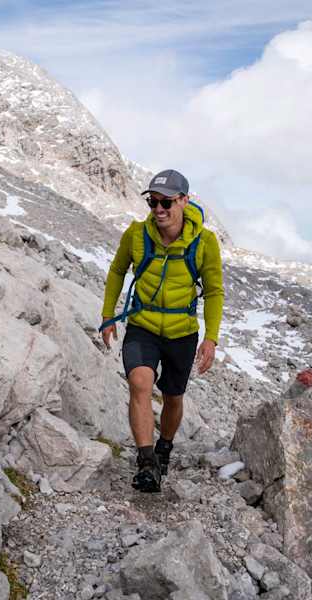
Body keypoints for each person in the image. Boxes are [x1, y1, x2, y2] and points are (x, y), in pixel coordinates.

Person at [100, 169, 224, 493]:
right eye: (153, 201)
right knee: (139, 383)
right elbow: (116, 271)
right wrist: (108, 315)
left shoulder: (205, 243)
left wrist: (211, 338)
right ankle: (145, 463)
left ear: (184, 200)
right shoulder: (136, 235)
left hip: (182, 333)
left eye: (166, 202)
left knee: (172, 396)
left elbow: (213, 292)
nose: (158, 209)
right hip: (143, 325)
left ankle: (164, 447)